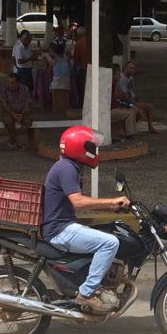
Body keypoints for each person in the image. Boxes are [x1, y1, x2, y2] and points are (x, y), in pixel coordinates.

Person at [40, 126, 130, 314]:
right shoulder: (66, 168)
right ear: (79, 148)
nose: (94, 151)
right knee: (110, 242)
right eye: (91, 147)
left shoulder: (67, 166)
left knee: (104, 234)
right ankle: (87, 293)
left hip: (61, 226)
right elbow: (78, 202)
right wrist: (112, 201)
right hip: (60, 230)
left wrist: (110, 206)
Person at [0, 69, 35, 151]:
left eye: (13, 83)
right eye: (9, 82)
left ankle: (12, 140)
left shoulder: (24, 89)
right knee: (9, 121)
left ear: (18, 83)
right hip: (8, 111)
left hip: (22, 111)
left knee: (28, 122)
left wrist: (21, 114)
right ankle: (14, 142)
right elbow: (3, 104)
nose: (10, 85)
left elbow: (27, 103)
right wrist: (13, 114)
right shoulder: (4, 88)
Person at [117, 60, 157, 133]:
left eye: (133, 69)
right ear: (125, 68)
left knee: (149, 107)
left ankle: (150, 128)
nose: (132, 70)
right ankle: (126, 128)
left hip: (132, 101)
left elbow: (133, 91)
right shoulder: (123, 79)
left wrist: (137, 100)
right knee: (139, 112)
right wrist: (135, 104)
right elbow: (124, 96)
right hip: (125, 103)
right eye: (130, 68)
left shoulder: (130, 78)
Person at [49, 41, 71, 113]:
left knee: (56, 101)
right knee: (64, 100)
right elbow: (69, 69)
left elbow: (50, 71)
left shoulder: (53, 60)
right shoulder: (67, 60)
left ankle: (57, 110)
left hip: (56, 82)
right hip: (65, 82)